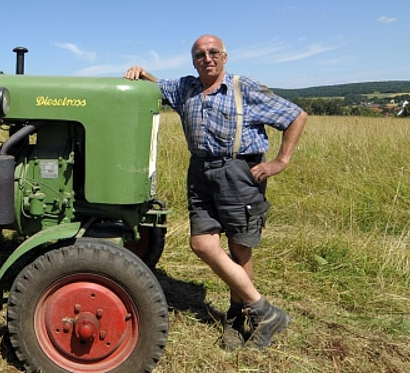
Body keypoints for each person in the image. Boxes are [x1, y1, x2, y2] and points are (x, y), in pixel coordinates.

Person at [123, 34, 307, 350]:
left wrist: (280, 161)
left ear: (224, 56)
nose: (206, 58)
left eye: (212, 53)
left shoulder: (243, 87)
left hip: (238, 172)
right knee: (202, 243)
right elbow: (157, 87)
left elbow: (296, 116)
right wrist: (142, 72)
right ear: (193, 61)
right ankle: (264, 311)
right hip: (200, 172)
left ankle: (238, 320)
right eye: (199, 55)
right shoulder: (186, 88)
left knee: (239, 250)